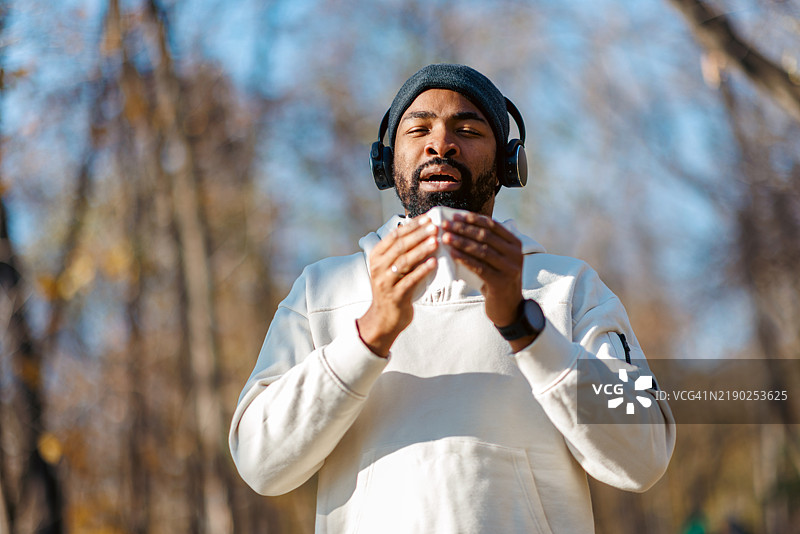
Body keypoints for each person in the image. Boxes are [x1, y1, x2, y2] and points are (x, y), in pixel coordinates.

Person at [229, 64, 675, 533]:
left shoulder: (569, 288)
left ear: (508, 164)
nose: (440, 144)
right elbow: (260, 464)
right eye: (419, 129)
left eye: (467, 130)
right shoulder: (322, 291)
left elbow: (643, 459)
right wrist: (369, 334)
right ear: (386, 162)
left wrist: (527, 330)